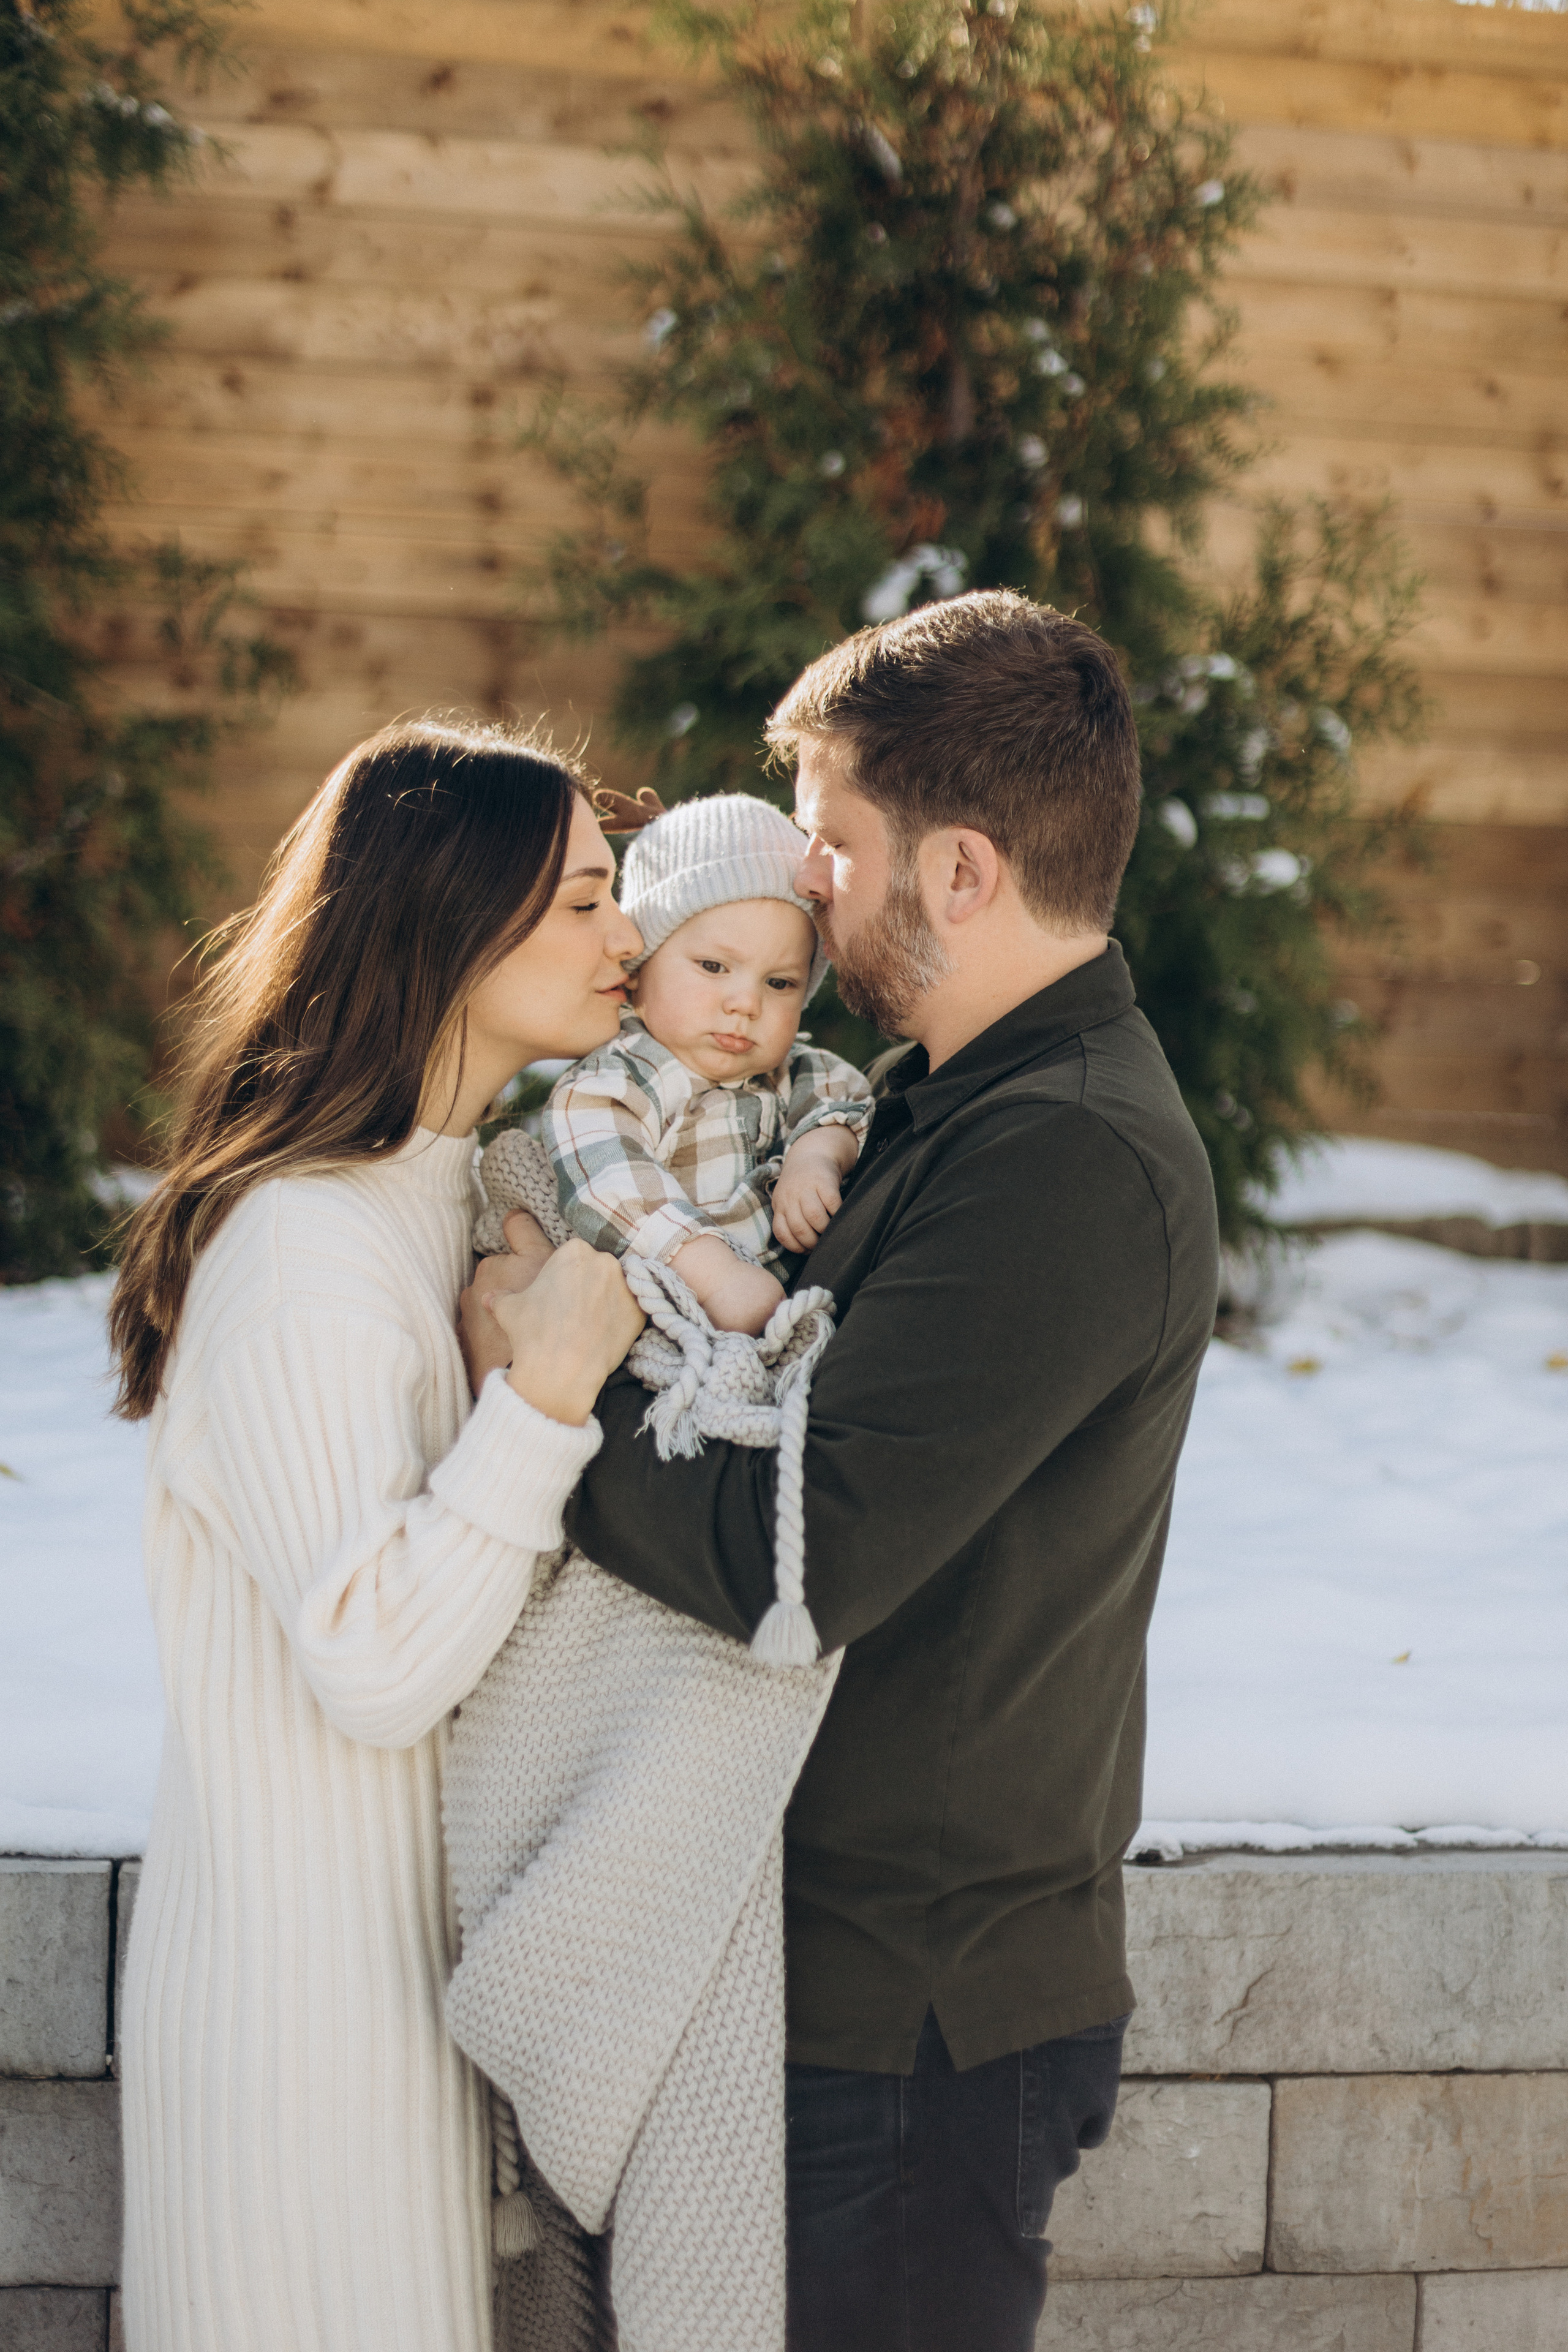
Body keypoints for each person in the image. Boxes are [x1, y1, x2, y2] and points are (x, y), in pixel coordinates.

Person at [463, 592, 1221, 2352]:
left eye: (831, 841)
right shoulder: (932, 1097)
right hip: (823, 1979)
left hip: (912, 2021)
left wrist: (542, 1384)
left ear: (957, 874)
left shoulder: (1067, 1157)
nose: (802, 884)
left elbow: (792, 1559)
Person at [108, 720, 646, 2352]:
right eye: (580, 903)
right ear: (447, 918)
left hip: (416, 2003)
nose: (628, 942)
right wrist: (545, 1396)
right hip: (300, 2038)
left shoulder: (448, 1196)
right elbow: (373, 1662)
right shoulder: (304, 1255)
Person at [475, 790, 871, 1335]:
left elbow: (845, 1100)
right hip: (661, 1308)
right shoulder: (617, 1079)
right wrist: (713, 1276)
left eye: (779, 983)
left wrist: (816, 1157)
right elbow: (611, 1181)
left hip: (781, 1317)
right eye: (713, 966)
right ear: (640, 966)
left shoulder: (795, 1071)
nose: (745, 1003)